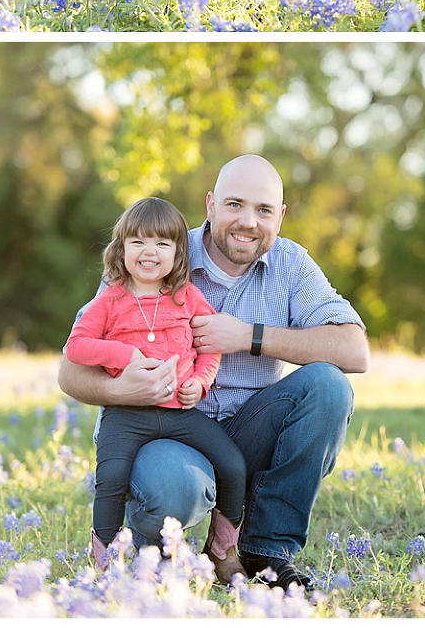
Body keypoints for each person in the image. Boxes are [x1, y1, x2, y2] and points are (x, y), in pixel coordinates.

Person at [59, 155, 369, 592]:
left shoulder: (291, 264)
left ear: (279, 217)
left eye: (263, 210)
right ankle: (154, 554)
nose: (248, 221)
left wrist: (248, 336)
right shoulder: (157, 249)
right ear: (210, 205)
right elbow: (70, 370)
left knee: (328, 387)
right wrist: (120, 387)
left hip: (249, 429)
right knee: (171, 488)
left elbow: (354, 350)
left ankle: (264, 553)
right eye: (234, 205)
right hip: (164, 429)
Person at [66, 196, 246, 582]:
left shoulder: (186, 297)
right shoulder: (111, 298)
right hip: (126, 415)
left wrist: (199, 381)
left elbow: (209, 346)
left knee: (232, 464)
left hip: (179, 412)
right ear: (122, 248)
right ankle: (104, 563)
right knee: (110, 480)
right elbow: (76, 346)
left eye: (162, 244)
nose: (149, 252)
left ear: (179, 253)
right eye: (138, 242)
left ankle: (221, 549)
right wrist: (124, 353)